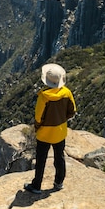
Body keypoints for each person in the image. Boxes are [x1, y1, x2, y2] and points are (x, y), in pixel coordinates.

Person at [24, 63, 76, 194]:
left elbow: (38, 117)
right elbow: (72, 110)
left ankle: (36, 185)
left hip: (45, 134)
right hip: (60, 131)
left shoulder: (44, 97)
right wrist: (61, 119)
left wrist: (37, 127)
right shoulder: (66, 93)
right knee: (59, 157)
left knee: (41, 159)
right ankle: (59, 182)